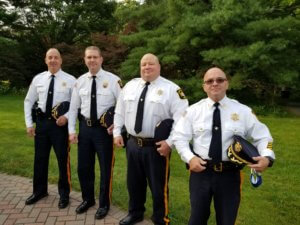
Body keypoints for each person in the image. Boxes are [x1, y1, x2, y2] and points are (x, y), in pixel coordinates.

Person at [173, 67, 276, 225]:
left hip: (230, 175)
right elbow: (179, 137)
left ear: (227, 84)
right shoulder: (193, 111)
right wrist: (190, 158)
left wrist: (267, 157)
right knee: (196, 219)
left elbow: (263, 136)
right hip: (201, 173)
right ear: (204, 86)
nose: (215, 83)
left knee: (227, 220)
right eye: (210, 81)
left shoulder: (243, 111)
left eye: (220, 80)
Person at [113, 53, 188, 225]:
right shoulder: (130, 86)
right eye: (144, 64)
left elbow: (182, 120)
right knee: (134, 183)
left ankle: (161, 218)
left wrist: (170, 143)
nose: (147, 67)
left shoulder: (172, 90)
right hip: (132, 144)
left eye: (151, 64)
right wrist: (117, 132)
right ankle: (135, 213)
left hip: (157, 148)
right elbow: (119, 111)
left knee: (158, 187)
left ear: (159, 67)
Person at [68, 46, 122, 219]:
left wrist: (118, 127)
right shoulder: (79, 81)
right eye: (88, 57)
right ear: (85, 60)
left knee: (105, 168)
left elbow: (123, 106)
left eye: (95, 57)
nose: (92, 60)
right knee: (84, 167)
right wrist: (71, 130)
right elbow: (73, 107)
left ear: (101, 59)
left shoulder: (113, 81)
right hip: (84, 128)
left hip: (103, 131)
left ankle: (104, 204)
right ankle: (88, 199)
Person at [24, 48, 76, 209]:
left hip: (59, 126)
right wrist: (29, 123)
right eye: (50, 57)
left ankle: (64, 194)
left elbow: (76, 105)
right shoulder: (38, 79)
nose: (53, 60)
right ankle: (40, 191)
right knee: (39, 159)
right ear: (46, 60)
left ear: (61, 60)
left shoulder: (71, 80)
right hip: (42, 125)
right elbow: (28, 101)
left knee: (62, 160)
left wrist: (66, 117)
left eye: (56, 57)